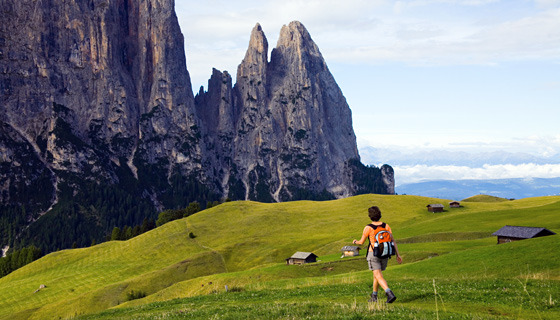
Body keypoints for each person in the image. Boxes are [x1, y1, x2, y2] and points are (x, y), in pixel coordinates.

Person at [353, 206, 402, 303]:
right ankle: (374, 297)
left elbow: (361, 242)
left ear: (370, 216)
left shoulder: (368, 228)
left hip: (373, 254)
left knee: (378, 276)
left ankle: (389, 293)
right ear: (379, 214)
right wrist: (398, 255)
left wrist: (355, 242)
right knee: (377, 275)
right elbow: (393, 241)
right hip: (385, 253)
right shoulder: (386, 226)